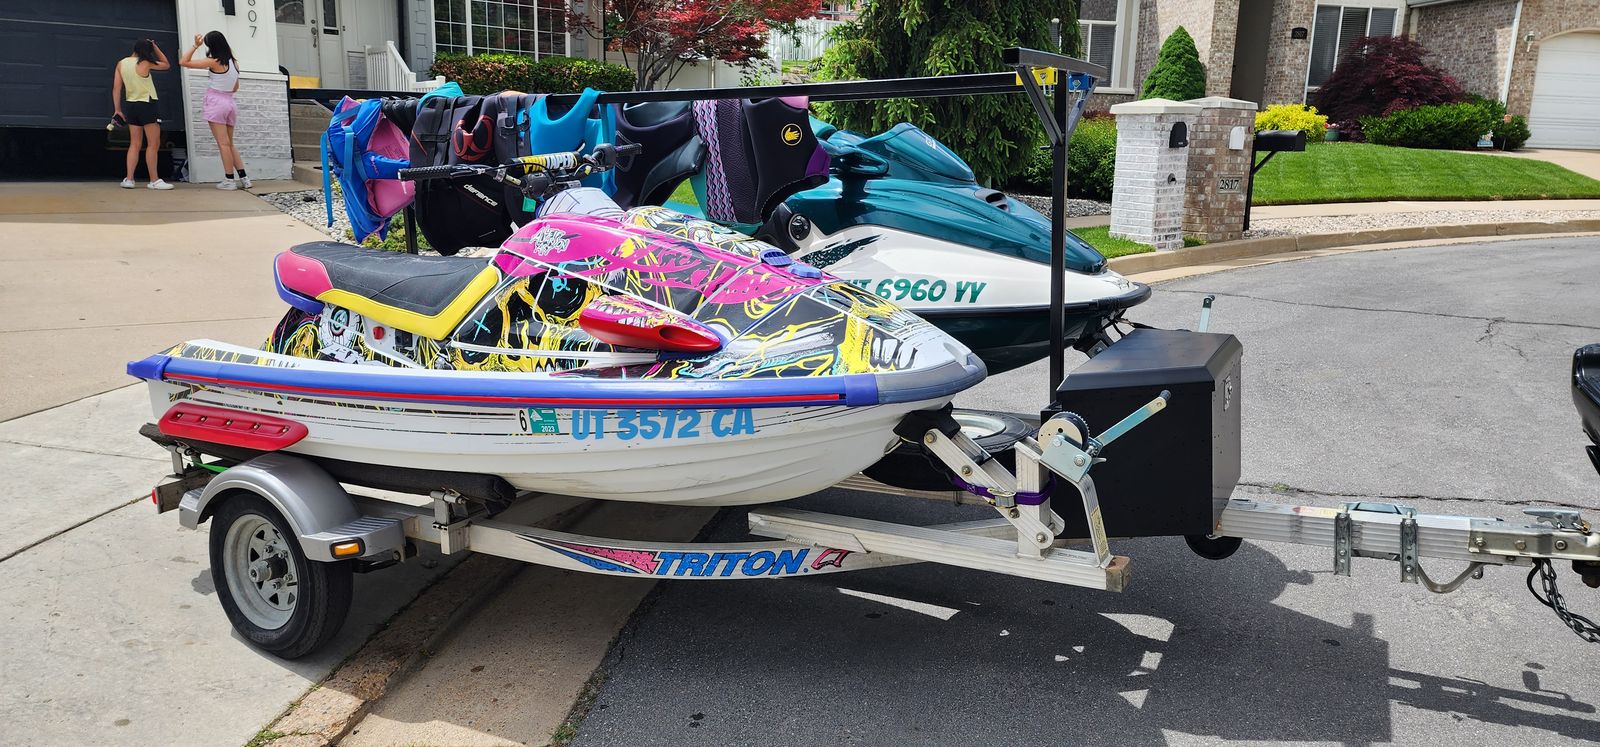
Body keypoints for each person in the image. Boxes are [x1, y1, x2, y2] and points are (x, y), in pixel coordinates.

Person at [181, 31, 251, 189]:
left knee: (223, 144)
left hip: (216, 102)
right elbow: (235, 87)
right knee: (230, 144)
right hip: (230, 103)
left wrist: (195, 46)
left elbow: (184, 62)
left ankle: (229, 180)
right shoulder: (234, 63)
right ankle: (244, 179)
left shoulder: (214, 62)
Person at [112, 39, 175, 190]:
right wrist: (156, 47)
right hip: (147, 104)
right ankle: (154, 180)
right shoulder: (146, 62)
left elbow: (116, 88)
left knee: (134, 143)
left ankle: (129, 179)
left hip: (130, 105)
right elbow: (166, 64)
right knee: (153, 144)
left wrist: (117, 109)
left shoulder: (121, 63)